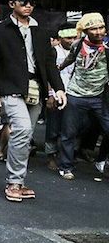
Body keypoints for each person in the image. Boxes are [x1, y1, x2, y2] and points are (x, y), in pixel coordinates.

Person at [0, 0, 66, 203]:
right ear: (12, 4)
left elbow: (49, 64)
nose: (29, 6)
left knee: (26, 135)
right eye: (23, 2)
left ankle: (18, 180)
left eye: (32, 2)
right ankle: (14, 182)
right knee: (22, 129)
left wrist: (58, 89)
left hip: (35, 88)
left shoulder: (41, 32)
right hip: (10, 88)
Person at [55, 13, 109, 180]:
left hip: (99, 97)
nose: (99, 32)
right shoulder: (78, 45)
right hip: (75, 95)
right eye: (94, 28)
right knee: (68, 133)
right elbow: (69, 60)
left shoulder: (107, 47)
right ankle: (65, 166)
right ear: (86, 30)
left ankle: (101, 160)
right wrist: (56, 72)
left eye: (101, 27)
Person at [44, 23, 76, 171]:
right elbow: (49, 74)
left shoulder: (77, 51)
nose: (71, 41)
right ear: (61, 37)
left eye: (74, 37)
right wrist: (51, 95)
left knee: (69, 127)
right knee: (53, 127)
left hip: (73, 93)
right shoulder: (53, 52)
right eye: (68, 38)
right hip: (56, 94)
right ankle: (50, 155)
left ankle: (66, 156)